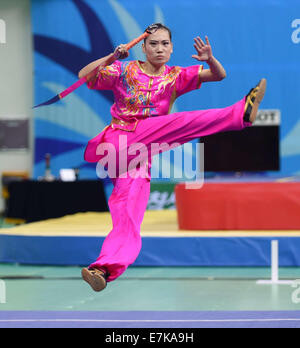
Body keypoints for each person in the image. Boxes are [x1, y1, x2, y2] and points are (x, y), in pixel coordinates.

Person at [79, 23, 267, 292]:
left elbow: (219, 75)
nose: (159, 48)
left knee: (128, 213)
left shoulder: (175, 76)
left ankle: (104, 268)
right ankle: (239, 114)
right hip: (119, 141)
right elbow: (85, 76)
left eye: (165, 44)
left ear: (171, 48)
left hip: (140, 154)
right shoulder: (123, 70)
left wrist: (210, 59)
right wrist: (111, 57)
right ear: (142, 48)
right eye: (153, 44)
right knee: (182, 122)